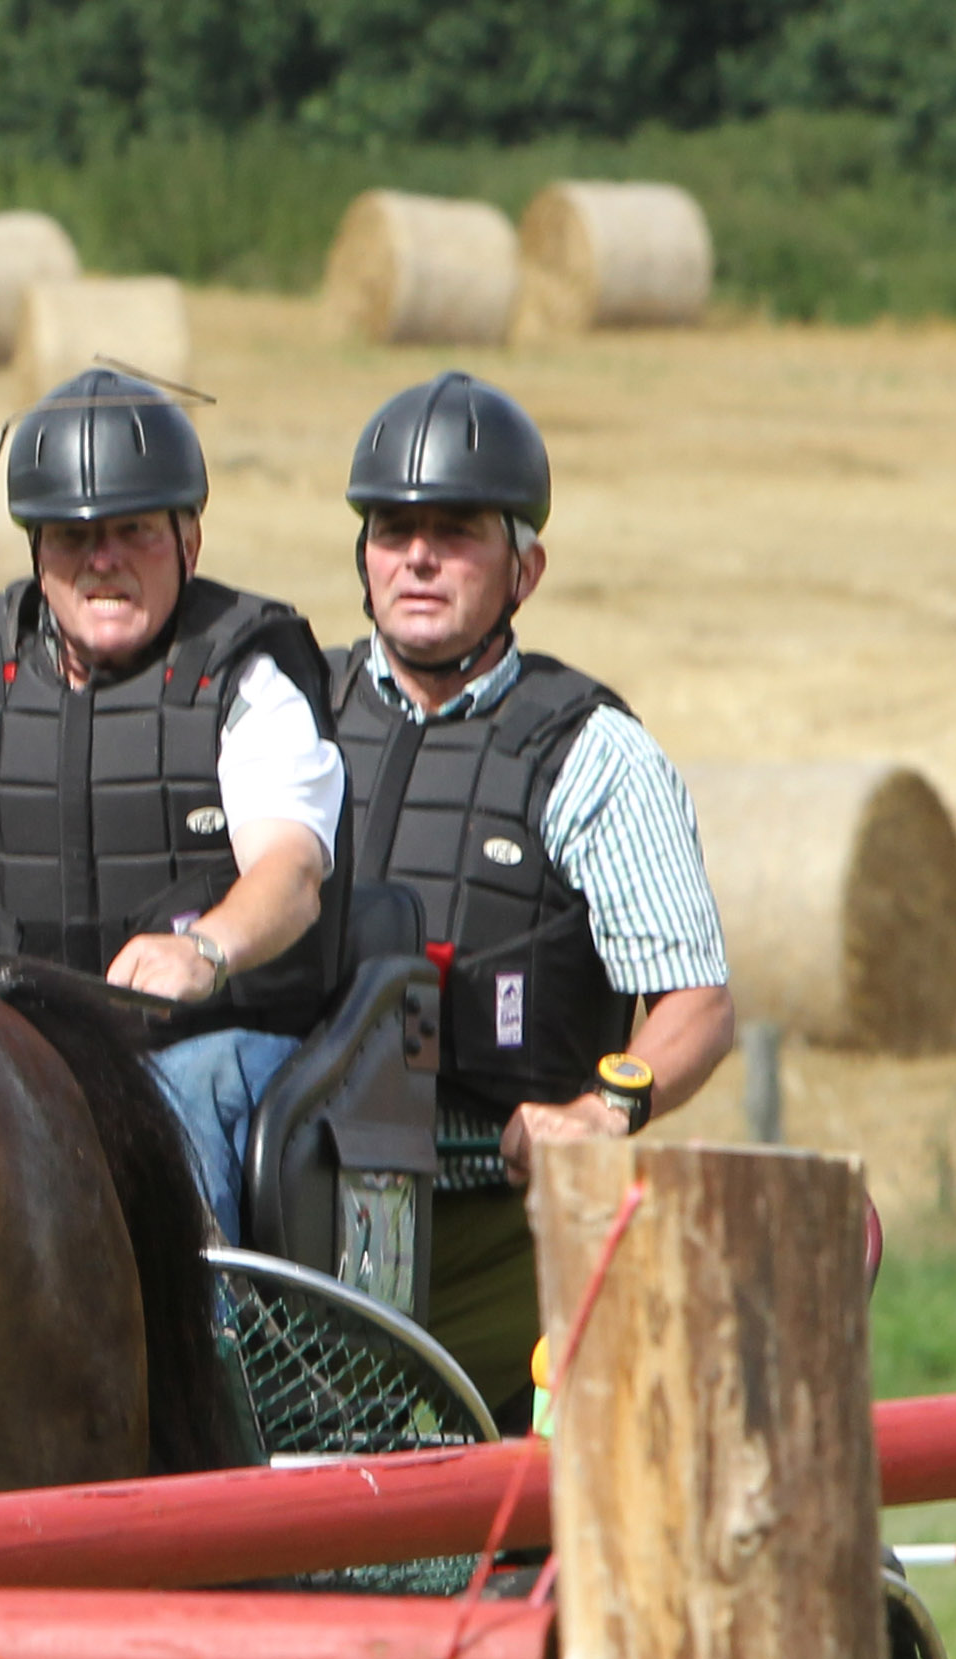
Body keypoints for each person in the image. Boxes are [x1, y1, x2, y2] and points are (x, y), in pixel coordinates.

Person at [0, 367, 349, 1244]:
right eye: (74, 536)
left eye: (133, 532)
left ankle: (208, 1355)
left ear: (189, 541)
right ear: (38, 552)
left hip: (203, 1050)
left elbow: (292, 872)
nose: (103, 559)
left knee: (177, 1105)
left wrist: (203, 949)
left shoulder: (249, 685)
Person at [329, 372, 733, 1422]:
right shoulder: (288, 711)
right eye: (390, 529)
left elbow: (695, 1001)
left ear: (524, 567)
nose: (414, 555)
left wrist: (603, 1109)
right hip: (304, 1198)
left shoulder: (592, 755)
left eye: (452, 532)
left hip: (500, 1217)